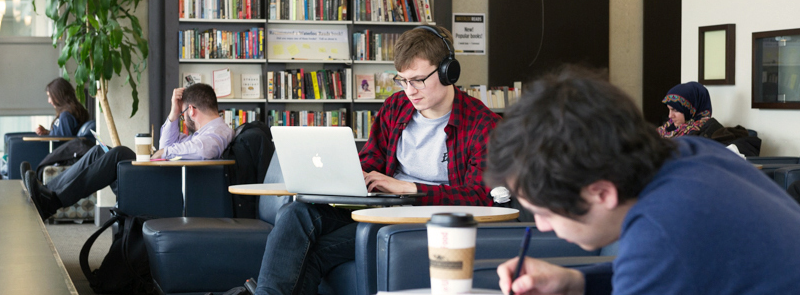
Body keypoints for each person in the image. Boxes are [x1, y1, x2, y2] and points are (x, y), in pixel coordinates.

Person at [486, 66, 800, 295]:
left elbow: (662, 255)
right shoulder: (691, 151)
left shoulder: (665, 229)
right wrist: (577, 283)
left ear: (601, 192)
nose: (541, 226)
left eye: (545, 211)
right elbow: (671, 268)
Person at [254, 25, 501, 295]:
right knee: (294, 212)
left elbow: (480, 197)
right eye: (402, 80)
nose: (410, 90)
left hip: (424, 223)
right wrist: (352, 174)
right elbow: (371, 159)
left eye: (418, 80)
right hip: (381, 212)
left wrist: (410, 189)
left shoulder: (482, 124)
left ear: (448, 71)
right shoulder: (396, 107)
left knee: (308, 255)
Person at [23, 83, 234, 221]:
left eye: (184, 113)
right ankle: (46, 193)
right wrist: (173, 113)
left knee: (119, 153)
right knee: (99, 152)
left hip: (172, 193)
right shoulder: (205, 131)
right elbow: (167, 142)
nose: (183, 118)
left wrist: (163, 152)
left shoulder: (219, 131)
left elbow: (204, 150)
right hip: (169, 183)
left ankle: (51, 202)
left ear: (193, 110)